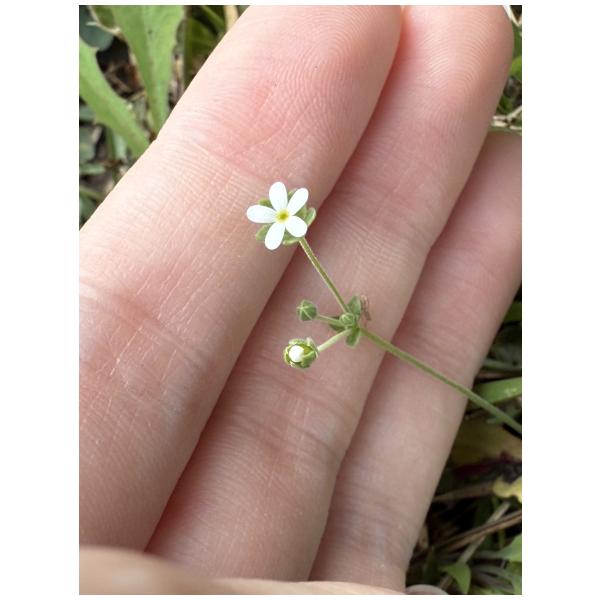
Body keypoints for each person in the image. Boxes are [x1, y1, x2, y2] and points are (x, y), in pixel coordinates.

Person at [79, 5, 521, 594]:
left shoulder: (298, 231)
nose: (285, 217)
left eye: (286, 214)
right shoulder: (287, 232)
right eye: (283, 216)